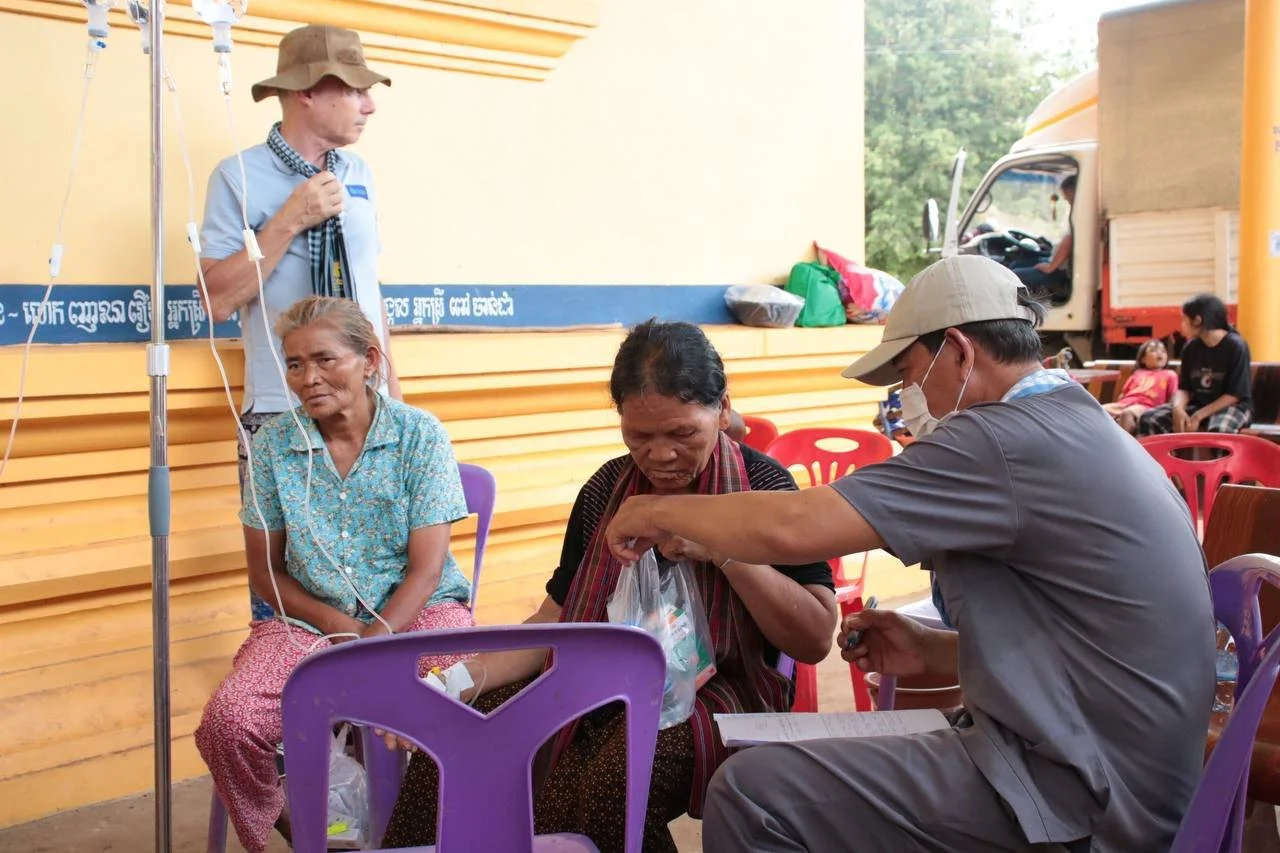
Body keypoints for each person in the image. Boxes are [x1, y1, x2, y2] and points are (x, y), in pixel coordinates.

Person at [604, 256, 1215, 852]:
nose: (905, 399)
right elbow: (1092, 645)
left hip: (1086, 795)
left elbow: (800, 523)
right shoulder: (1078, 425)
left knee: (750, 792)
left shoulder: (1000, 438)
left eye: (907, 376)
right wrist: (935, 650)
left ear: (957, 351)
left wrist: (653, 512)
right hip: (1122, 771)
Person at [380, 319, 838, 853]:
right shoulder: (607, 491)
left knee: (615, 774)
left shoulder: (763, 488)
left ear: (721, 408)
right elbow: (558, 623)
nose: (661, 455)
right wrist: (452, 684)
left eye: (682, 433)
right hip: (597, 675)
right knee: (465, 734)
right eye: (639, 436)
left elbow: (814, 637)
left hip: (720, 691)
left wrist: (722, 550)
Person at [195, 297, 475, 853]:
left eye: (325, 359)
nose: (308, 378)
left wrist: (371, 647)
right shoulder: (275, 447)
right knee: (229, 723)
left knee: (461, 694)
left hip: (420, 613)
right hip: (310, 622)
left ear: (370, 360)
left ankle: (432, 834)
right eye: (295, 364)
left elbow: (425, 570)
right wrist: (340, 631)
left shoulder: (419, 435)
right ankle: (310, 834)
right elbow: (268, 575)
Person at [199, 24, 400, 620]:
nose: (370, 104)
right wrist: (287, 221)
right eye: (356, 89)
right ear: (308, 92)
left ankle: (370, 703)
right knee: (283, 591)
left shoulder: (359, 171)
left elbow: (370, 294)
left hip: (370, 409)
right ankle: (287, 704)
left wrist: (396, 395)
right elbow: (215, 298)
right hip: (279, 412)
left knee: (379, 570)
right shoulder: (236, 177)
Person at [1137, 294, 1253, 435]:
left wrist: (1199, 415)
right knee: (1149, 418)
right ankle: (1163, 457)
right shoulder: (1190, 348)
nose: (1181, 325)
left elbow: (1234, 395)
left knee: (1220, 431)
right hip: (1199, 405)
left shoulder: (1236, 346)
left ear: (1198, 320)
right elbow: (1184, 388)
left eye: (1184, 320)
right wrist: (1178, 408)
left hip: (1234, 407)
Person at [1012, 173, 1075, 303]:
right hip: (1057, 263)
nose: (1067, 201)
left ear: (1073, 192)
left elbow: (1069, 240)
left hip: (1060, 270)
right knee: (1017, 265)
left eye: (1068, 198)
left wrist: (1051, 266)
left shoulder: (1080, 213)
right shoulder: (1076, 212)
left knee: (1013, 276)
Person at [1103, 339, 1179, 433]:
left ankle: (1125, 446)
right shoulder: (1137, 374)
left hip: (1147, 407)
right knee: (1098, 410)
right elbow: (1123, 394)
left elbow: (1172, 398)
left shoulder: (1170, 374)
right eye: (1153, 350)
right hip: (1124, 405)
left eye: (1163, 351)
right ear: (1143, 359)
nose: (1160, 353)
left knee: (1127, 414)